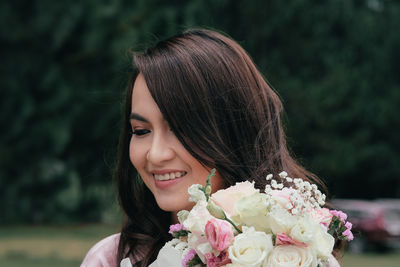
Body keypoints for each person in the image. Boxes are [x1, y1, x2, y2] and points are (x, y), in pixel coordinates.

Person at [81, 28, 341, 267]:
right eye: (141, 131)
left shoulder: (301, 259)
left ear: (234, 131)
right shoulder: (109, 260)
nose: (156, 154)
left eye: (181, 129)